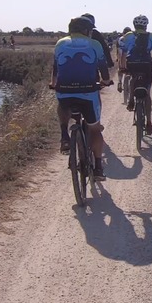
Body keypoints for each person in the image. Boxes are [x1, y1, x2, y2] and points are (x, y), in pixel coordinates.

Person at [52, 16, 113, 180]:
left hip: (65, 91)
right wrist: (106, 81)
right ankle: (98, 167)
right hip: (88, 92)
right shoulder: (95, 44)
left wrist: (53, 83)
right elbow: (103, 68)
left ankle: (64, 135)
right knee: (95, 129)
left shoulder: (60, 43)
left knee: (63, 104)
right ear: (87, 30)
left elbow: (56, 67)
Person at [121, 14, 152, 134]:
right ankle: (149, 122)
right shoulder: (151, 37)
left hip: (132, 63)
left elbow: (123, 54)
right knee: (147, 93)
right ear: (146, 26)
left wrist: (122, 67)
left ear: (134, 25)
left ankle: (131, 100)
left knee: (132, 78)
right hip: (146, 65)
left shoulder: (128, 36)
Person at [114, 26, 133, 92]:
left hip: (121, 56)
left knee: (120, 69)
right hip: (130, 57)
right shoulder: (133, 39)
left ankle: (119, 82)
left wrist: (118, 58)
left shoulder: (120, 39)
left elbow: (118, 50)